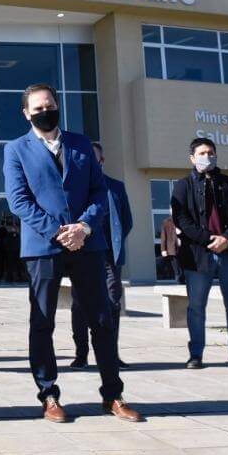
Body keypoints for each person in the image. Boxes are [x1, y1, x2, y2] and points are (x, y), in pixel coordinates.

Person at [3, 84, 142, 424]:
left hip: (87, 244)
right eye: (37, 107)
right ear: (26, 113)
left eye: (49, 104)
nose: (44, 110)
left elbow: (99, 192)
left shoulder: (80, 144)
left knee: (102, 319)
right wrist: (57, 231)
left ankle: (113, 395)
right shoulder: (15, 149)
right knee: (43, 321)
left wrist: (84, 228)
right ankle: (49, 395)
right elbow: (18, 200)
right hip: (43, 247)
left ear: (58, 106)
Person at [171, 137, 228, 372]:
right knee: (196, 307)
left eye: (210, 152)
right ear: (192, 158)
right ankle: (196, 354)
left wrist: (226, 238)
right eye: (201, 153)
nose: (206, 156)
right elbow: (181, 219)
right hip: (198, 256)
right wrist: (209, 239)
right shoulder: (182, 186)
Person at [69, 142, 133, 370]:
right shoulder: (75, 187)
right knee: (80, 306)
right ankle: (81, 354)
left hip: (108, 257)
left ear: (102, 161)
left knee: (112, 304)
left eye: (94, 158)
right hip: (83, 254)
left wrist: (113, 243)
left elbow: (127, 221)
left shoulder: (116, 187)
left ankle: (111, 354)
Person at [160, 216, 185, 284]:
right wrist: (163, 249)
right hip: (172, 248)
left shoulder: (182, 219)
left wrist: (180, 232)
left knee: (183, 265)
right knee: (176, 266)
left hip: (183, 248)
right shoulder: (166, 222)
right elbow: (163, 236)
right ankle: (179, 281)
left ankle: (183, 279)